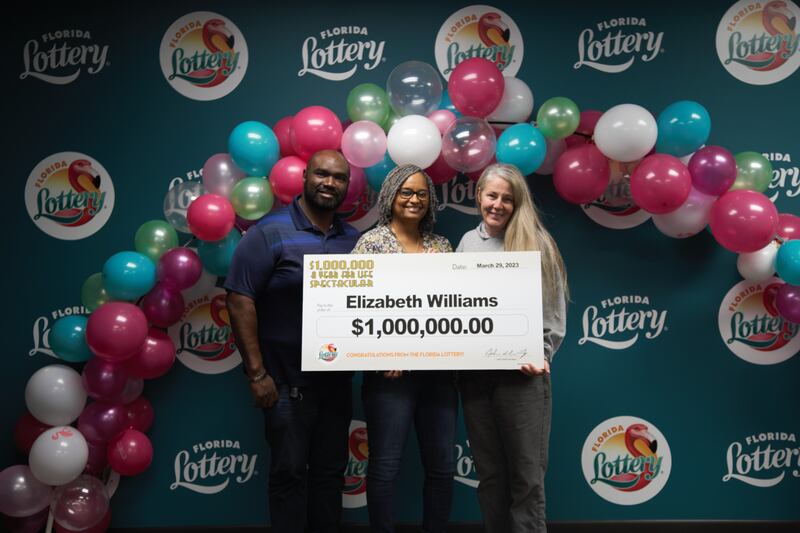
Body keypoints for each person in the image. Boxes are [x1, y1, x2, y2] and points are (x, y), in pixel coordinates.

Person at [225, 150, 360, 533]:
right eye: (322, 174)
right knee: (288, 476)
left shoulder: (352, 240)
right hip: (285, 385)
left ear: (347, 186)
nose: (329, 183)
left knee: (330, 476)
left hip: (335, 385)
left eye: (338, 177)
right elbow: (239, 299)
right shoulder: (269, 232)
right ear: (304, 177)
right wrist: (256, 374)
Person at [456, 163, 568, 533]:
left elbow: (553, 313)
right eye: (492, 196)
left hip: (523, 382)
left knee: (526, 480)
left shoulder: (537, 242)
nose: (498, 204)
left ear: (518, 203)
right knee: (489, 478)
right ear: (479, 196)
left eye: (508, 198)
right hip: (475, 380)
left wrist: (540, 352)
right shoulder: (467, 245)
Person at [351, 164, 455, 533]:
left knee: (442, 468)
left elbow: (456, 306)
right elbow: (355, 308)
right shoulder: (372, 243)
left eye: (422, 193)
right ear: (390, 196)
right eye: (406, 192)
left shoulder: (442, 247)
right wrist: (383, 354)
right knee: (385, 467)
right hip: (389, 377)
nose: (414, 199)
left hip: (439, 375)